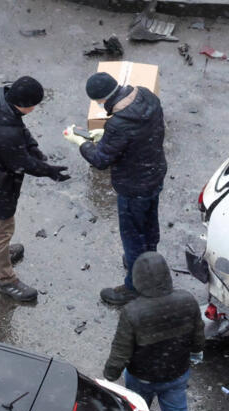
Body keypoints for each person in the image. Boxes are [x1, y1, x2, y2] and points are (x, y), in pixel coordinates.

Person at [103, 251, 204, 411]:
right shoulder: (187, 301)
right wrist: (195, 352)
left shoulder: (133, 312)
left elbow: (121, 351)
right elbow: (198, 336)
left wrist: (109, 375)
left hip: (141, 378)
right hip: (176, 375)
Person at [64, 71, 167, 306]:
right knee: (150, 224)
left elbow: (101, 160)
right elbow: (141, 134)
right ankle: (150, 262)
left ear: (101, 100)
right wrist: (106, 135)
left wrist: (81, 142)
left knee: (132, 237)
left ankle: (134, 285)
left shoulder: (119, 124)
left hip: (133, 185)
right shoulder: (147, 97)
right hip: (155, 175)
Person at [0, 76, 70, 302]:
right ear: (25, 105)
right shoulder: (7, 133)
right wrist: (49, 170)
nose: (34, 109)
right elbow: (22, 163)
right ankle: (6, 278)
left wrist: (33, 147)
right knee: (1, 230)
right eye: (34, 105)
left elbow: (19, 130)